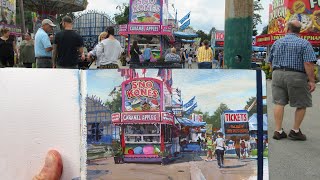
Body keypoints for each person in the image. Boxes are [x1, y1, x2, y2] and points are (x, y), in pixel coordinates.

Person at [270, 20, 317, 141]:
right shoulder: (304, 43)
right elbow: (308, 63)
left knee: (279, 102)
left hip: (277, 73)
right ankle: (295, 131)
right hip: (296, 75)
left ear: (287, 29)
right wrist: (311, 80)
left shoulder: (277, 42)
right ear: (299, 30)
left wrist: (274, 74)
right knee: (302, 103)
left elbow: (270, 61)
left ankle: (278, 131)